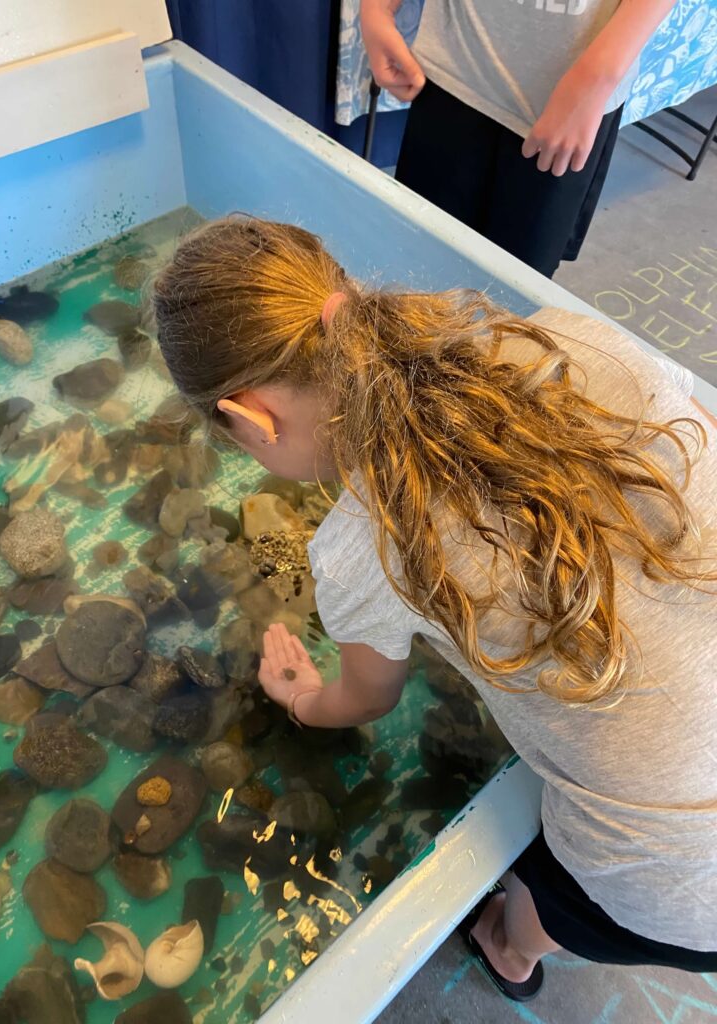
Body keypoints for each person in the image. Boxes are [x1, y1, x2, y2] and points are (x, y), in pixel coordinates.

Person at [152, 216, 717, 1001]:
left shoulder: (363, 546)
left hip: (692, 888)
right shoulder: (570, 339)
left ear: (251, 416)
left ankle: (510, 948)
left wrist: (301, 698)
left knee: (551, 886)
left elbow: (365, 698)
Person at [360, 0, 678, 277]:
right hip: (452, 67)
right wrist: (377, 7)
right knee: (416, 262)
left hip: (566, 101)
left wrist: (596, 78)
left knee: (511, 300)